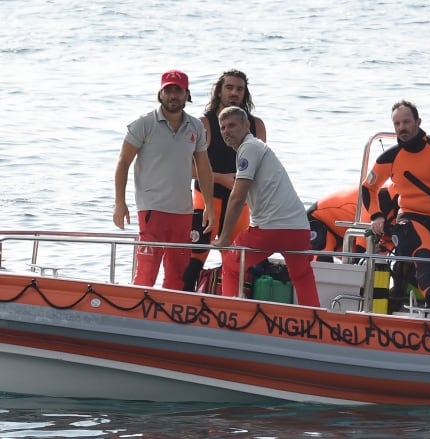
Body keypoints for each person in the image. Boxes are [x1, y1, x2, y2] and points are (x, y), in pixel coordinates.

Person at [362, 100, 430, 318]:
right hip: (411, 219)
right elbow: (368, 187)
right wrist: (376, 216)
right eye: (396, 124)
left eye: (406, 122)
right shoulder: (390, 158)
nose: (401, 127)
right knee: (423, 256)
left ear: (418, 122)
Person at [113, 69, 215, 290]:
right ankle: (135, 317)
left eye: (177, 90)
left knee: (177, 276)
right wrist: (120, 203)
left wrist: (208, 205)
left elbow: (204, 168)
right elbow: (123, 163)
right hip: (152, 209)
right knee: (146, 273)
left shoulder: (195, 127)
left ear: (186, 94)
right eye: (168, 90)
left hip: (183, 211)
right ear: (160, 93)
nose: (173, 96)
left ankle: (170, 320)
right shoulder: (144, 124)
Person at [211, 106, 319, 307]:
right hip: (299, 228)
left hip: (270, 229)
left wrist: (224, 238)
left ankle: (230, 312)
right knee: (302, 276)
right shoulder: (259, 148)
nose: (226, 131)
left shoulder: (249, 147)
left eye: (232, 125)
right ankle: (312, 321)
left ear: (246, 125)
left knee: (231, 264)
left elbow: (237, 196)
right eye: (223, 128)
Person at [182, 69, 267, 291]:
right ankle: (181, 306)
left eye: (239, 89)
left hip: (241, 204)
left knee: (238, 265)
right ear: (219, 91)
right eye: (229, 88)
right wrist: (220, 178)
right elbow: (186, 168)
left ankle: (233, 309)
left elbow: (263, 167)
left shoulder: (256, 125)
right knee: (193, 261)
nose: (234, 93)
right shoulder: (204, 123)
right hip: (207, 201)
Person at [307, 185, 397, 262]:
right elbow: (364, 237)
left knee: (376, 265)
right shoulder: (379, 197)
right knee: (321, 263)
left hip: (348, 236)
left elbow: (390, 243)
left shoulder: (403, 210)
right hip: (319, 221)